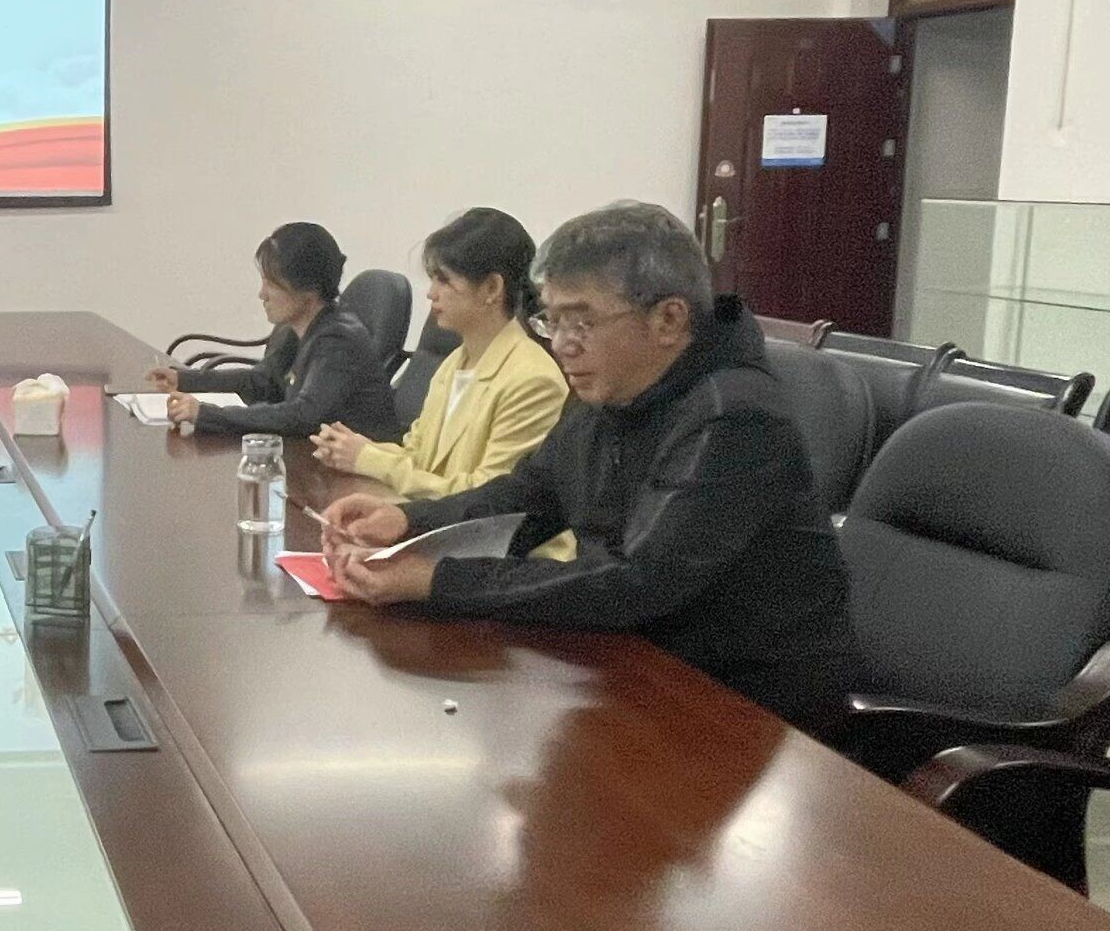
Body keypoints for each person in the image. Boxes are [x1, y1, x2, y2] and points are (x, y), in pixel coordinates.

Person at [321, 201, 853, 735]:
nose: (561, 344)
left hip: (747, 711)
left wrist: (437, 580)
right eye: (551, 320)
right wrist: (409, 521)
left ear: (668, 320)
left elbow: (636, 580)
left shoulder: (733, 417)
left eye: (581, 321)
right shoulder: (610, 389)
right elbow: (527, 495)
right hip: (633, 662)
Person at [311, 208, 574, 558]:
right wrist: (356, 449)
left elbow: (483, 501)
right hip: (446, 544)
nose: (431, 294)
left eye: (444, 280)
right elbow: (418, 455)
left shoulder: (532, 380)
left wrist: (369, 459)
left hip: (512, 563)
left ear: (492, 288)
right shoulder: (454, 363)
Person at [146, 222, 401, 441]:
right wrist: (185, 380)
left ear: (308, 290)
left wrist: (207, 414)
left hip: (355, 472)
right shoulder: (296, 326)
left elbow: (302, 416)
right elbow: (262, 381)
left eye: (271, 284)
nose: (262, 294)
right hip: (312, 455)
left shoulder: (338, 341)